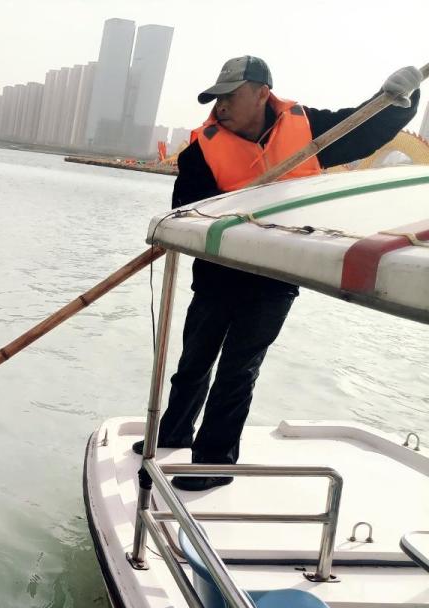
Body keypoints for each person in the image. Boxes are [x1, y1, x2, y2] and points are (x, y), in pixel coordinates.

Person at [134, 56, 422, 490]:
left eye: (230, 95)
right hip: (216, 274)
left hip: (272, 280)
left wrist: (400, 101)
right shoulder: (201, 151)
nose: (222, 105)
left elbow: (362, 130)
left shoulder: (307, 129)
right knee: (193, 360)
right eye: (218, 98)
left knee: (238, 369)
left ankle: (213, 462)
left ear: (261, 93)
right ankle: (174, 430)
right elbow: (187, 211)